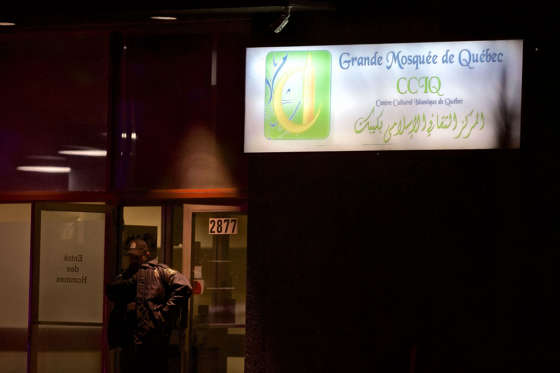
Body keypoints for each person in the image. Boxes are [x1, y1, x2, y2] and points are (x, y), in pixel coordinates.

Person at [106, 238, 192, 373]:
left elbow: (184, 286)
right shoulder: (127, 276)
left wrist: (163, 314)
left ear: (146, 255)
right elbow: (112, 293)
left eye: (136, 257)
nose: (133, 260)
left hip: (152, 343)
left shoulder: (160, 271)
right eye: (131, 257)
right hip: (130, 343)